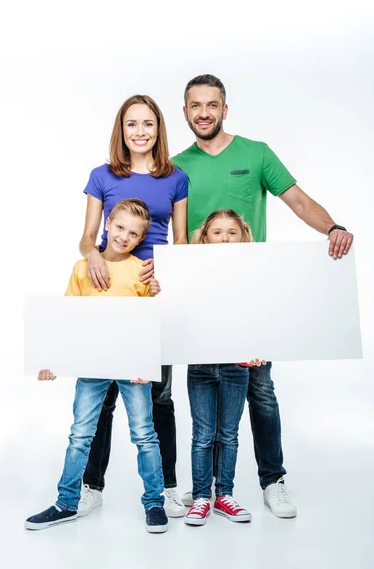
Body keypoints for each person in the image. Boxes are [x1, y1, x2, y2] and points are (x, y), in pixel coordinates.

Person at [172, 74, 354, 519]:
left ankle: (273, 481)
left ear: (224, 109)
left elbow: (298, 201)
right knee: (201, 389)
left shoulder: (256, 153)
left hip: (253, 294)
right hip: (200, 299)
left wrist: (332, 227)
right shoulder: (175, 166)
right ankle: (200, 491)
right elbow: (166, 229)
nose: (204, 113)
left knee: (261, 389)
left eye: (212, 105)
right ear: (185, 113)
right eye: (196, 106)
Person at [25, 199, 168, 534]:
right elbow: (66, 320)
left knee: (145, 435)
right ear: (107, 225)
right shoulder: (81, 268)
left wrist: (146, 361)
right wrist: (51, 361)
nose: (124, 236)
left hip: (133, 366)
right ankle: (66, 503)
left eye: (133, 233)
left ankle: (154, 503)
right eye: (120, 227)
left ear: (139, 239)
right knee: (80, 435)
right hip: (93, 365)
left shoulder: (141, 271)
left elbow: (152, 321)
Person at [78, 95, 188, 519]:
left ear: (159, 129)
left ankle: (170, 486)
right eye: (131, 124)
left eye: (148, 124)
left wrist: (167, 277)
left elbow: (180, 242)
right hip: (108, 288)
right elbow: (88, 236)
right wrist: (92, 256)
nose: (140, 131)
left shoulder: (176, 178)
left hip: (154, 294)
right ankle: (91, 486)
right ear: (120, 130)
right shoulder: (101, 176)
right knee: (103, 392)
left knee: (160, 396)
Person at [185, 209, 265, 526]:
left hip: (236, 365)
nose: (224, 237)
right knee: (203, 435)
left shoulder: (252, 274)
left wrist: (258, 348)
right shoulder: (190, 274)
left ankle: (224, 495)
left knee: (228, 435)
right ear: (204, 237)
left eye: (232, 232)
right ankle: (202, 496)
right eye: (217, 232)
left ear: (243, 236)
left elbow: (260, 315)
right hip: (201, 366)